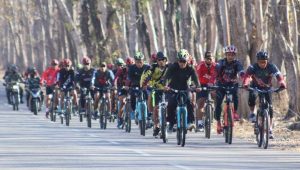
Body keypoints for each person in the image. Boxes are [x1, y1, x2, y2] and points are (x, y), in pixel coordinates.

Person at [242, 50, 286, 139]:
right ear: (257, 61)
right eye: (260, 62)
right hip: (255, 87)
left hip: (267, 88)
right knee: (252, 97)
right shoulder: (252, 67)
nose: (262, 64)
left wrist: (282, 83)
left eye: (264, 62)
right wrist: (245, 84)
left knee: (270, 107)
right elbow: (247, 76)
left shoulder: (272, 67)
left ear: (267, 61)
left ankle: (270, 129)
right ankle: (252, 113)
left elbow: (279, 75)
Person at [163, 49, 200, 132]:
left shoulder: (190, 68)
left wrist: (198, 86)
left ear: (187, 60)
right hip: (173, 88)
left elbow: (196, 79)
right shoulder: (173, 67)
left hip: (185, 89)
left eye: (184, 61)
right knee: (171, 103)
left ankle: (190, 122)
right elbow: (166, 77)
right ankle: (172, 123)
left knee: (190, 102)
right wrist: (165, 86)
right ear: (178, 60)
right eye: (180, 61)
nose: (182, 63)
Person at [215, 45, 244, 134]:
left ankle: (234, 112)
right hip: (221, 84)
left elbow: (241, 71)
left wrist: (243, 76)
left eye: (232, 55)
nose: (230, 57)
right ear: (226, 55)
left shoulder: (237, 63)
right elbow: (216, 69)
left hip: (232, 84)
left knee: (235, 96)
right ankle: (218, 123)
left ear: (234, 55)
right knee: (218, 102)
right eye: (228, 55)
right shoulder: (221, 62)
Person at [140, 51, 169, 137]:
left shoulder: (169, 68)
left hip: (167, 89)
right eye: (159, 60)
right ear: (157, 61)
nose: (161, 61)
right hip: (156, 89)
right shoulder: (152, 68)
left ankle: (171, 122)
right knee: (155, 108)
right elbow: (144, 77)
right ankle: (156, 126)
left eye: (163, 59)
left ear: (165, 60)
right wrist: (144, 84)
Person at [126, 52, 151, 123]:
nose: (139, 64)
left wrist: (148, 84)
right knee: (133, 95)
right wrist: (127, 85)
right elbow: (129, 77)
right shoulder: (132, 68)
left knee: (148, 96)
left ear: (143, 61)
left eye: (140, 62)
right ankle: (134, 110)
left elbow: (150, 77)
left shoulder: (147, 67)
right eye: (137, 62)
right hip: (135, 86)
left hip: (145, 85)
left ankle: (149, 115)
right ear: (135, 62)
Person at [195, 51, 217, 131]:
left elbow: (219, 76)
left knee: (217, 97)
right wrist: (197, 85)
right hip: (202, 85)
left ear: (213, 59)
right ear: (205, 59)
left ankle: (216, 115)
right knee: (201, 102)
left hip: (212, 85)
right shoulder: (200, 65)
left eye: (211, 58)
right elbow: (196, 76)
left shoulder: (216, 66)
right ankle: (200, 123)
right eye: (207, 58)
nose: (209, 60)